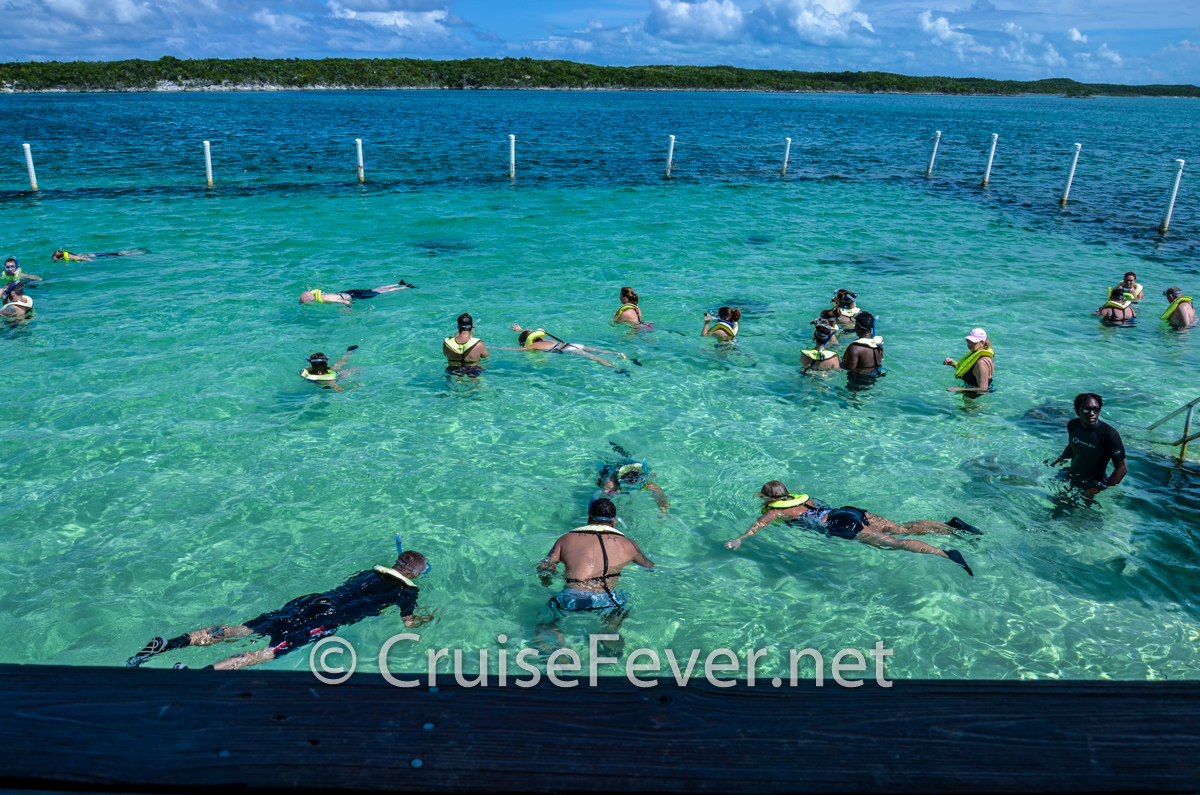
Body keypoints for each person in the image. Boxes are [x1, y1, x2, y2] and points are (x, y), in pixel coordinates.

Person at [127, 546, 435, 670]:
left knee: (242, 629)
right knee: (266, 652)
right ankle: (199, 675)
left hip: (311, 601)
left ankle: (169, 644)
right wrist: (427, 619)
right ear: (415, 573)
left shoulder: (371, 571)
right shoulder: (407, 592)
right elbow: (408, 623)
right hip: (328, 619)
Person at [724, 481, 976, 575]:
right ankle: (950, 527)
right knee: (901, 528)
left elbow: (757, 526)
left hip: (839, 524)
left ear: (766, 497)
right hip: (846, 511)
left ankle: (946, 554)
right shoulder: (803, 498)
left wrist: (740, 539)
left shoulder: (775, 511)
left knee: (894, 544)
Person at [536, 498, 654, 651]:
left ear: (589, 517)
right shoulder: (628, 544)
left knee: (544, 621)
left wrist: (547, 581)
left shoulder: (566, 539)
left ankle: (557, 644)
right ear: (613, 522)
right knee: (622, 606)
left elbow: (544, 568)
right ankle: (610, 630)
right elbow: (649, 567)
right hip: (606, 601)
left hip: (571, 598)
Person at [1049, 393, 1127, 496]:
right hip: (1073, 473)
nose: (1092, 413)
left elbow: (1122, 468)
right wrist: (1060, 460)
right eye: (1086, 409)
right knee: (1055, 498)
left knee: (1082, 511)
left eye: (1096, 409)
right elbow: (1072, 446)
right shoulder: (1073, 425)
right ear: (1077, 411)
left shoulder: (1109, 434)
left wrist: (1102, 488)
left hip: (1094, 482)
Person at [504, 324, 627, 368]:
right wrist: (521, 329)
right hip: (570, 344)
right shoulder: (544, 339)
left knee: (594, 358)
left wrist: (496, 347)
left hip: (568, 351)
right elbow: (531, 332)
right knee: (600, 351)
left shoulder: (534, 345)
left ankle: (616, 369)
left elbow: (517, 349)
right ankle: (617, 354)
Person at [595, 446, 670, 514]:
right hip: (611, 466)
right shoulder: (612, 482)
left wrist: (663, 510)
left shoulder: (642, 482)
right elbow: (605, 497)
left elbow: (658, 491)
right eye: (628, 479)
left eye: (634, 480)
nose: (632, 482)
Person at [943, 327, 994, 394]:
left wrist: (959, 389)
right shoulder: (982, 356)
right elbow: (970, 371)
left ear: (982, 343)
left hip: (975, 399)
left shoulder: (981, 363)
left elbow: (983, 389)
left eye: (973, 342)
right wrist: (953, 363)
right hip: (972, 396)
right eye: (968, 341)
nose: (969, 344)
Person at [300, 281, 415, 306]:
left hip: (352, 296)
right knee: (373, 289)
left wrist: (348, 308)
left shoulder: (324, 300)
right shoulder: (321, 294)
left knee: (379, 293)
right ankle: (398, 283)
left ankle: (405, 287)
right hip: (348, 292)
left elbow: (344, 301)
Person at [840, 312, 883, 377]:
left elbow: (849, 368)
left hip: (858, 380)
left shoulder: (855, 348)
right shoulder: (879, 344)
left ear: (857, 326)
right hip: (875, 375)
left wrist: (836, 361)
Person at [52, 248, 148, 262]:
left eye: (54, 259)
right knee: (117, 254)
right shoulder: (65, 253)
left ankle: (139, 252)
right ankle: (131, 251)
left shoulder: (69, 257)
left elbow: (80, 258)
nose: (54, 260)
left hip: (95, 256)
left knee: (118, 256)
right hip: (93, 254)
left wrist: (91, 262)